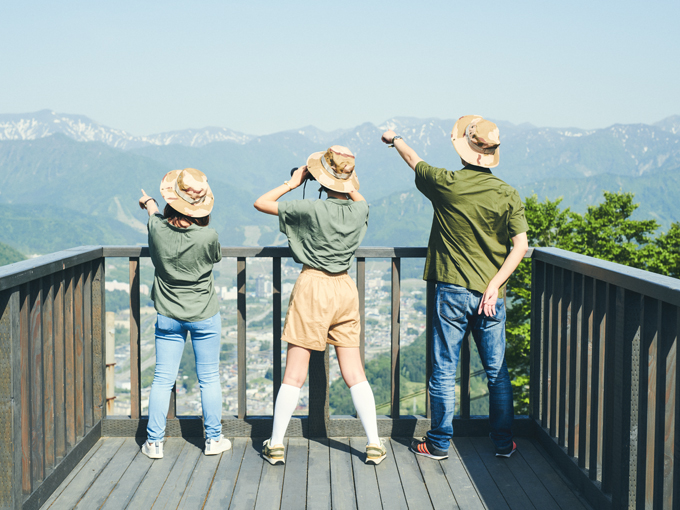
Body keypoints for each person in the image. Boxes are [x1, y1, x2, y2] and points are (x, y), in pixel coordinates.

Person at [381, 116, 529, 459]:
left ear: (464, 150)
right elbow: (520, 246)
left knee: (444, 369)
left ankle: (438, 443)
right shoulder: (507, 193)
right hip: (492, 297)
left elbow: (412, 160)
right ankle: (504, 444)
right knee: (497, 374)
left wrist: (394, 138)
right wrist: (494, 285)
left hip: (451, 291)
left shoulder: (447, 183)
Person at [253, 145, 386, 465]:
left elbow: (262, 203)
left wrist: (295, 182)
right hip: (345, 287)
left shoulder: (310, 208)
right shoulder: (359, 210)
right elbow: (359, 197)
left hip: (313, 286)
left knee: (294, 374)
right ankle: (374, 442)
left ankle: (276, 443)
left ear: (320, 179)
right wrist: (344, 179)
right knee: (355, 371)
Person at [138, 167, 231, 459]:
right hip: (204, 313)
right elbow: (215, 256)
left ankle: (154, 443)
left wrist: (149, 202)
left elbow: (154, 215)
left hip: (167, 314)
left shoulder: (157, 230)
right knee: (209, 378)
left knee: (162, 378)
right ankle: (213, 439)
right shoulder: (208, 236)